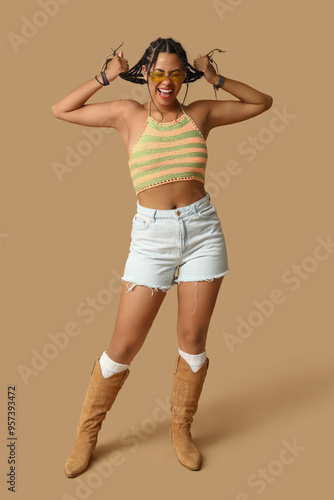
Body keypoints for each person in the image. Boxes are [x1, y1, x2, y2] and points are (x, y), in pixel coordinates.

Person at [51, 37, 273, 477]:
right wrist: (106, 75)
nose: (166, 82)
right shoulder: (128, 114)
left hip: (203, 234)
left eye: (175, 73)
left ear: (183, 76)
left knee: (193, 343)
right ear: (145, 75)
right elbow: (62, 109)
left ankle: (181, 429)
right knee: (124, 346)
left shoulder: (201, 114)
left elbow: (262, 102)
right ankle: (87, 434)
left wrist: (217, 79)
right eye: (157, 73)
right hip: (152, 238)